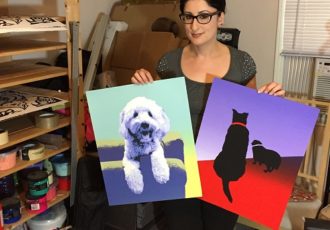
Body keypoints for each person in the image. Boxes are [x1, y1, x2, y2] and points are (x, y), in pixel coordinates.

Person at [131, 0, 285, 229]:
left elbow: (254, 114)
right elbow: (155, 113)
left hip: (223, 168)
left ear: (220, 17)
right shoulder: (168, 63)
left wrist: (272, 100)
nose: (195, 25)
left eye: (204, 16)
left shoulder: (242, 63)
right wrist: (140, 87)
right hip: (179, 169)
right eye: (188, 16)